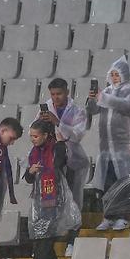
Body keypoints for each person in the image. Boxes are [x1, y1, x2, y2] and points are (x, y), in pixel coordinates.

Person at [86, 57, 130, 232]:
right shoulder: (106, 91)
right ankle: (108, 216)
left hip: (123, 146)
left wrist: (103, 98)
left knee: (122, 182)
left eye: (117, 74)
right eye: (112, 74)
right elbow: (92, 111)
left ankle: (123, 216)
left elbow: (128, 106)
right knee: (107, 185)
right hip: (106, 147)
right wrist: (93, 99)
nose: (114, 77)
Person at [23, 119, 81, 259]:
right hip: (40, 201)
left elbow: (59, 164)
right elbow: (29, 179)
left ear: (45, 135)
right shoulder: (34, 153)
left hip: (56, 199)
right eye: (31, 136)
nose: (32, 139)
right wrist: (30, 171)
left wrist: (61, 143)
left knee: (45, 238)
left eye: (35, 136)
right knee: (42, 238)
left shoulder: (57, 148)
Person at [41, 77, 89, 212]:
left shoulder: (78, 111)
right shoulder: (46, 109)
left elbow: (77, 136)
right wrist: (40, 123)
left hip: (73, 158)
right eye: (53, 94)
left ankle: (73, 225)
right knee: (53, 192)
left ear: (67, 92)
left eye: (59, 94)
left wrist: (58, 123)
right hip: (51, 156)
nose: (55, 97)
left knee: (72, 194)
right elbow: (33, 132)